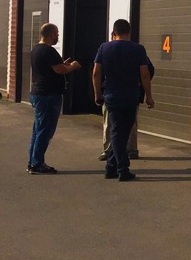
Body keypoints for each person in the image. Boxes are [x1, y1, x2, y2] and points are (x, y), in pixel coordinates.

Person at [93, 19, 154, 182]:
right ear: (129, 33)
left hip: (111, 96)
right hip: (130, 96)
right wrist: (149, 96)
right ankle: (123, 169)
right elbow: (145, 74)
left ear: (114, 33)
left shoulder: (104, 48)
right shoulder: (138, 49)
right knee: (122, 132)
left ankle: (111, 167)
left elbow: (96, 73)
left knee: (118, 132)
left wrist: (97, 94)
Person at [27, 23, 81, 174]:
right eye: (56, 34)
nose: (58, 36)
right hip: (48, 95)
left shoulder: (36, 49)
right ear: (51, 34)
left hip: (38, 93)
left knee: (38, 130)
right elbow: (60, 70)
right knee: (45, 130)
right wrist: (73, 66)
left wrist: (63, 64)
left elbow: (52, 67)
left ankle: (33, 162)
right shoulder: (48, 51)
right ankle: (37, 164)